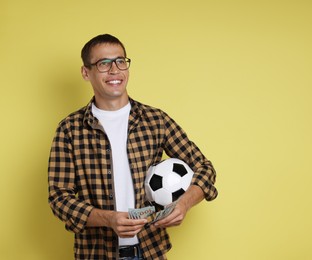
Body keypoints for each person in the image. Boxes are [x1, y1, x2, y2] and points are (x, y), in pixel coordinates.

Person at [48, 34, 218, 260]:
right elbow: (59, 197)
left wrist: (184, 204)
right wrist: (108, 219)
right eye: (103, 64)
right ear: (86, 72)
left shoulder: (155, 120)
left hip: (150, 250)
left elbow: (204, 167)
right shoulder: (70, 129)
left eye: (120, 61)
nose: (115, 70)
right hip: (96, 253)